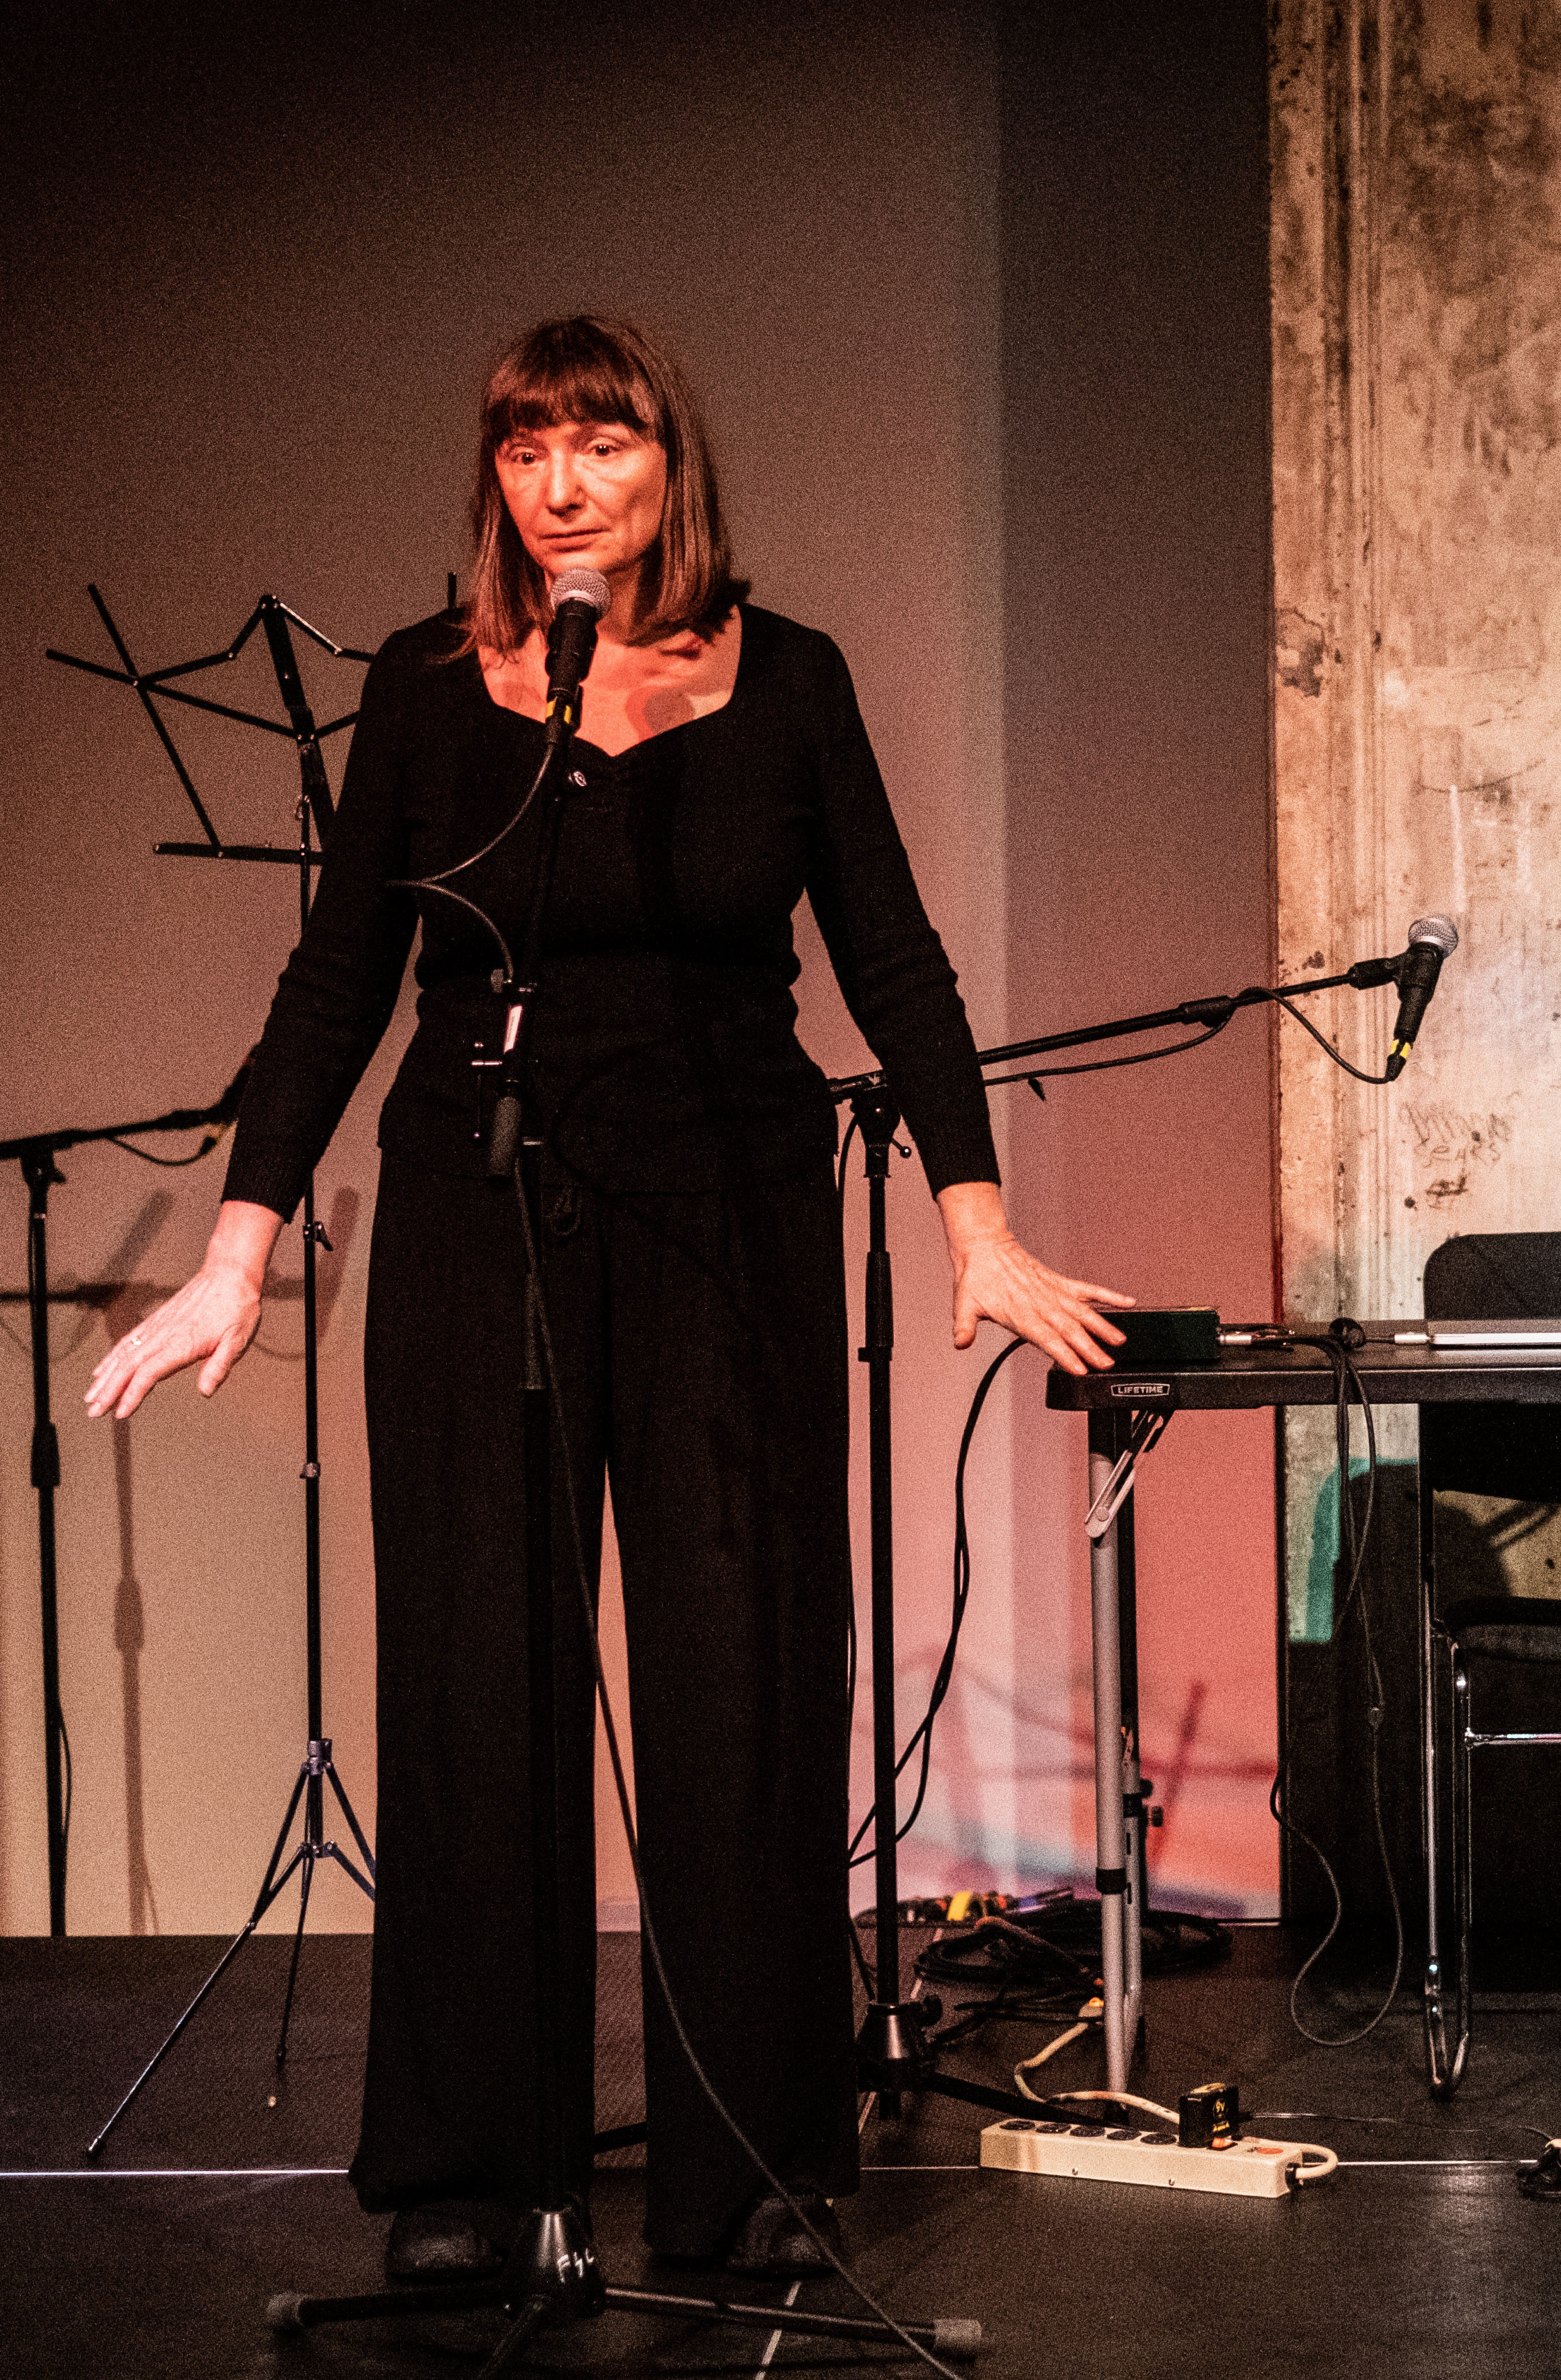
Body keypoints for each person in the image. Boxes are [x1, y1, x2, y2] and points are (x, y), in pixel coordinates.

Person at [86, 316, 1129, 2286]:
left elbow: (894, 962)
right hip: (481, 1213)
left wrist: (975, 1220)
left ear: (674, 465)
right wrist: (240, 1241)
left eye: (604, 441)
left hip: (729, 1209)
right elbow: (340, 981)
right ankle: (480, 2182)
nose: (566, 483)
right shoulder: (425, 690)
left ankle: (753, 2175)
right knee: (481, 1682)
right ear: (497, 482)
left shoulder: (789, 679)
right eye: (529, 449)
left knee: (741, 1683)